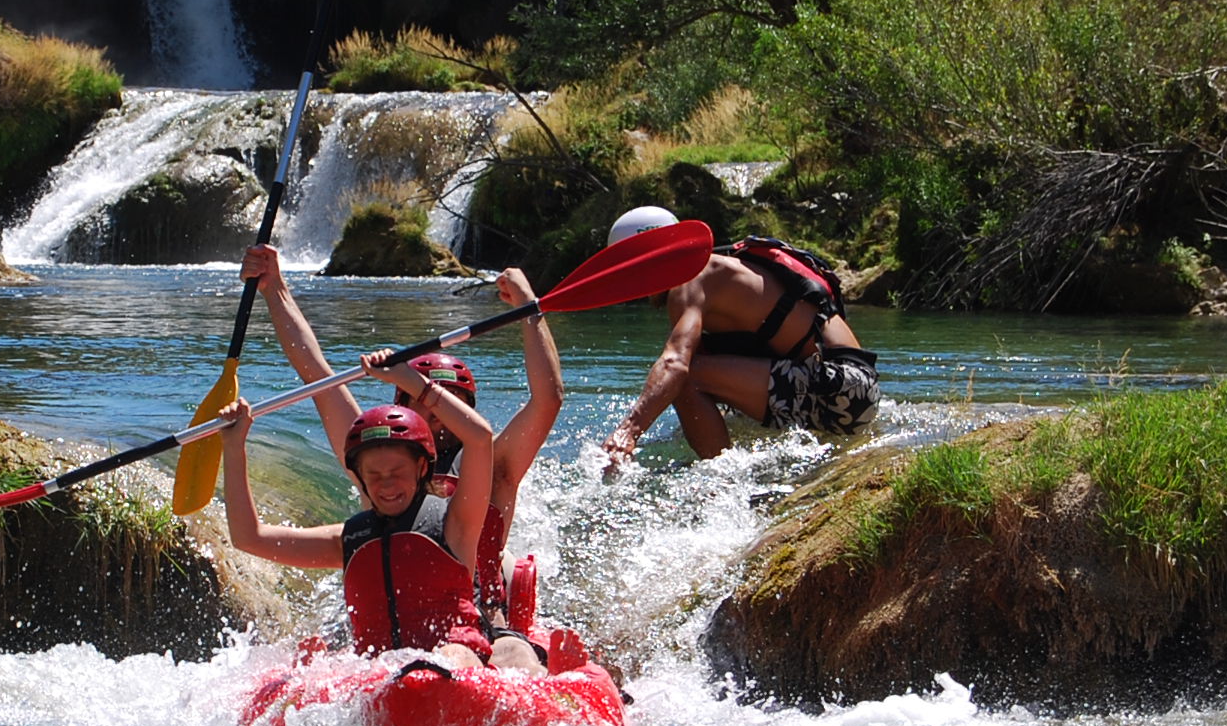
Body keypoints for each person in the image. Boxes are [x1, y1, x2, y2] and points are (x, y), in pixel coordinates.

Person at [237, 243, 573, 667]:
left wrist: (529, 309)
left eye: (447, 403)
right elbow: (318, 375)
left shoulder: (493, 465)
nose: (436, 416)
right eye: (424, 402)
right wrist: (275, 289)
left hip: (478, 625)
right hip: (392, 625)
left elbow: (549, 399)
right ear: (403, 405)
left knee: (512, 657)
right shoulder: (379, 458)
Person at [217, 355, 541, 671]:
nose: (387, 484)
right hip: (381, 674)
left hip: (453, 659)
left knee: (459, 655)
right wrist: (234, 447)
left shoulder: (456, 523)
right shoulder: (351, 538)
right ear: (359, 478)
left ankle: (432, 675)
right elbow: (249, 538)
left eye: (397, 471)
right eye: (374, 475)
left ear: (421, 467)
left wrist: (411, 381)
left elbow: (479, 437)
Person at [600, 204, 880, 467]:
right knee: (703, 361)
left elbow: (675, 365)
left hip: (843, 390)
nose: (632, 283)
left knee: (686, 379)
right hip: (855, 390)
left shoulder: (689, 280)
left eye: (630, 268)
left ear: (650, 258)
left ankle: (723, 477)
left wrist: (628, 431)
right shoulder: (716, 269)